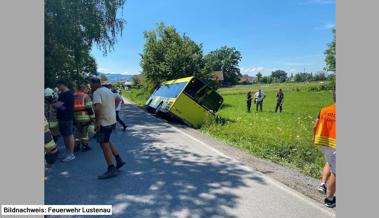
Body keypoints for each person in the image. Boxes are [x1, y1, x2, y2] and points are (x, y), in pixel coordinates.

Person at [90, 78, 125, 179]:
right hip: (112, 121)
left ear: (94, 84)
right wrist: (112, 110)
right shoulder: (108, 90)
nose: (90, 87)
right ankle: (119, 160)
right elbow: (118, 99)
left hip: (103, 123)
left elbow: (97, 108)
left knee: (104, 145)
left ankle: (111, 169)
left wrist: (97, 121)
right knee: (107, 141)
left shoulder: (97, 92)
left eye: (91, 84)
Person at [313, 89, 336, 208]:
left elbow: (315, 125)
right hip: (336, 145)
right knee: (336, 172)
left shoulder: (324, 110)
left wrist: (314, 137)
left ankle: (323, 184)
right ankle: (330, 199)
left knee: (329, 162)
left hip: (324, 143)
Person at [53, 80, 76, 162]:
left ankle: (71, 154)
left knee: (69, 135)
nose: (58, 88)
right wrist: (57, 105)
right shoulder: (64, 94)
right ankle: (68, 153)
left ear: (62, 85)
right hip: (64, 116)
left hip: (66, 118)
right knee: (65, 136)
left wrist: (53, 103)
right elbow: (63, 107)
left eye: (58, 86)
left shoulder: (66, 94)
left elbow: (58, 105)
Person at [73, 84, 95, 152]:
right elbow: (89, 108)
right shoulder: (85, 96)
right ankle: (85, 146)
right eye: (86, 89)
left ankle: (76, 146)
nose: (87, 90)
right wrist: (92, 118)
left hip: (75, 117)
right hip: (85, 117)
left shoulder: (73, 96)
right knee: (85, 133)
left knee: (77, 132)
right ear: (83, 89)